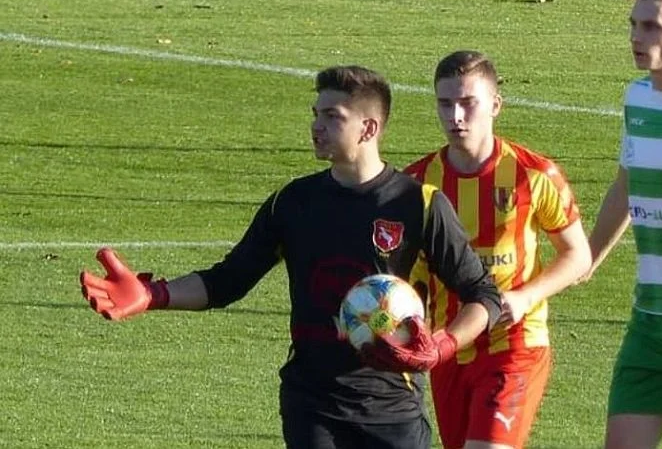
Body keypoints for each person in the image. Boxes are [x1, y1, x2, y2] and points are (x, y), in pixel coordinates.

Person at [80, 65, 502, 449]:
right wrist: (153, 294)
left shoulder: (418, 203)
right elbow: (227, 281)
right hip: (312, 405)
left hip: (393, 411)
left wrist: (442, 347)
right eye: (315, 114)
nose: (316, 126)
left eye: (332, 116)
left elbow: (483, 295)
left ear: (368, 128)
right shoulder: (294, 202)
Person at [403, 50, 592, 449]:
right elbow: (406, 271)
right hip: (448, 346)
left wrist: (526, 297)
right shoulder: (415, 184)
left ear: (495, 105)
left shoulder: (534, 174)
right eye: (445, 103)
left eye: (467, 103)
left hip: (515, 344)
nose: (455, 116)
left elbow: (578, 255)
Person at [585, 0, 662, 449]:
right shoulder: (637, 97)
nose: (636, 37)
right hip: (652, 320)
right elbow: (625, 186)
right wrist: (587, 259)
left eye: (651, 27)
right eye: (633, 25)